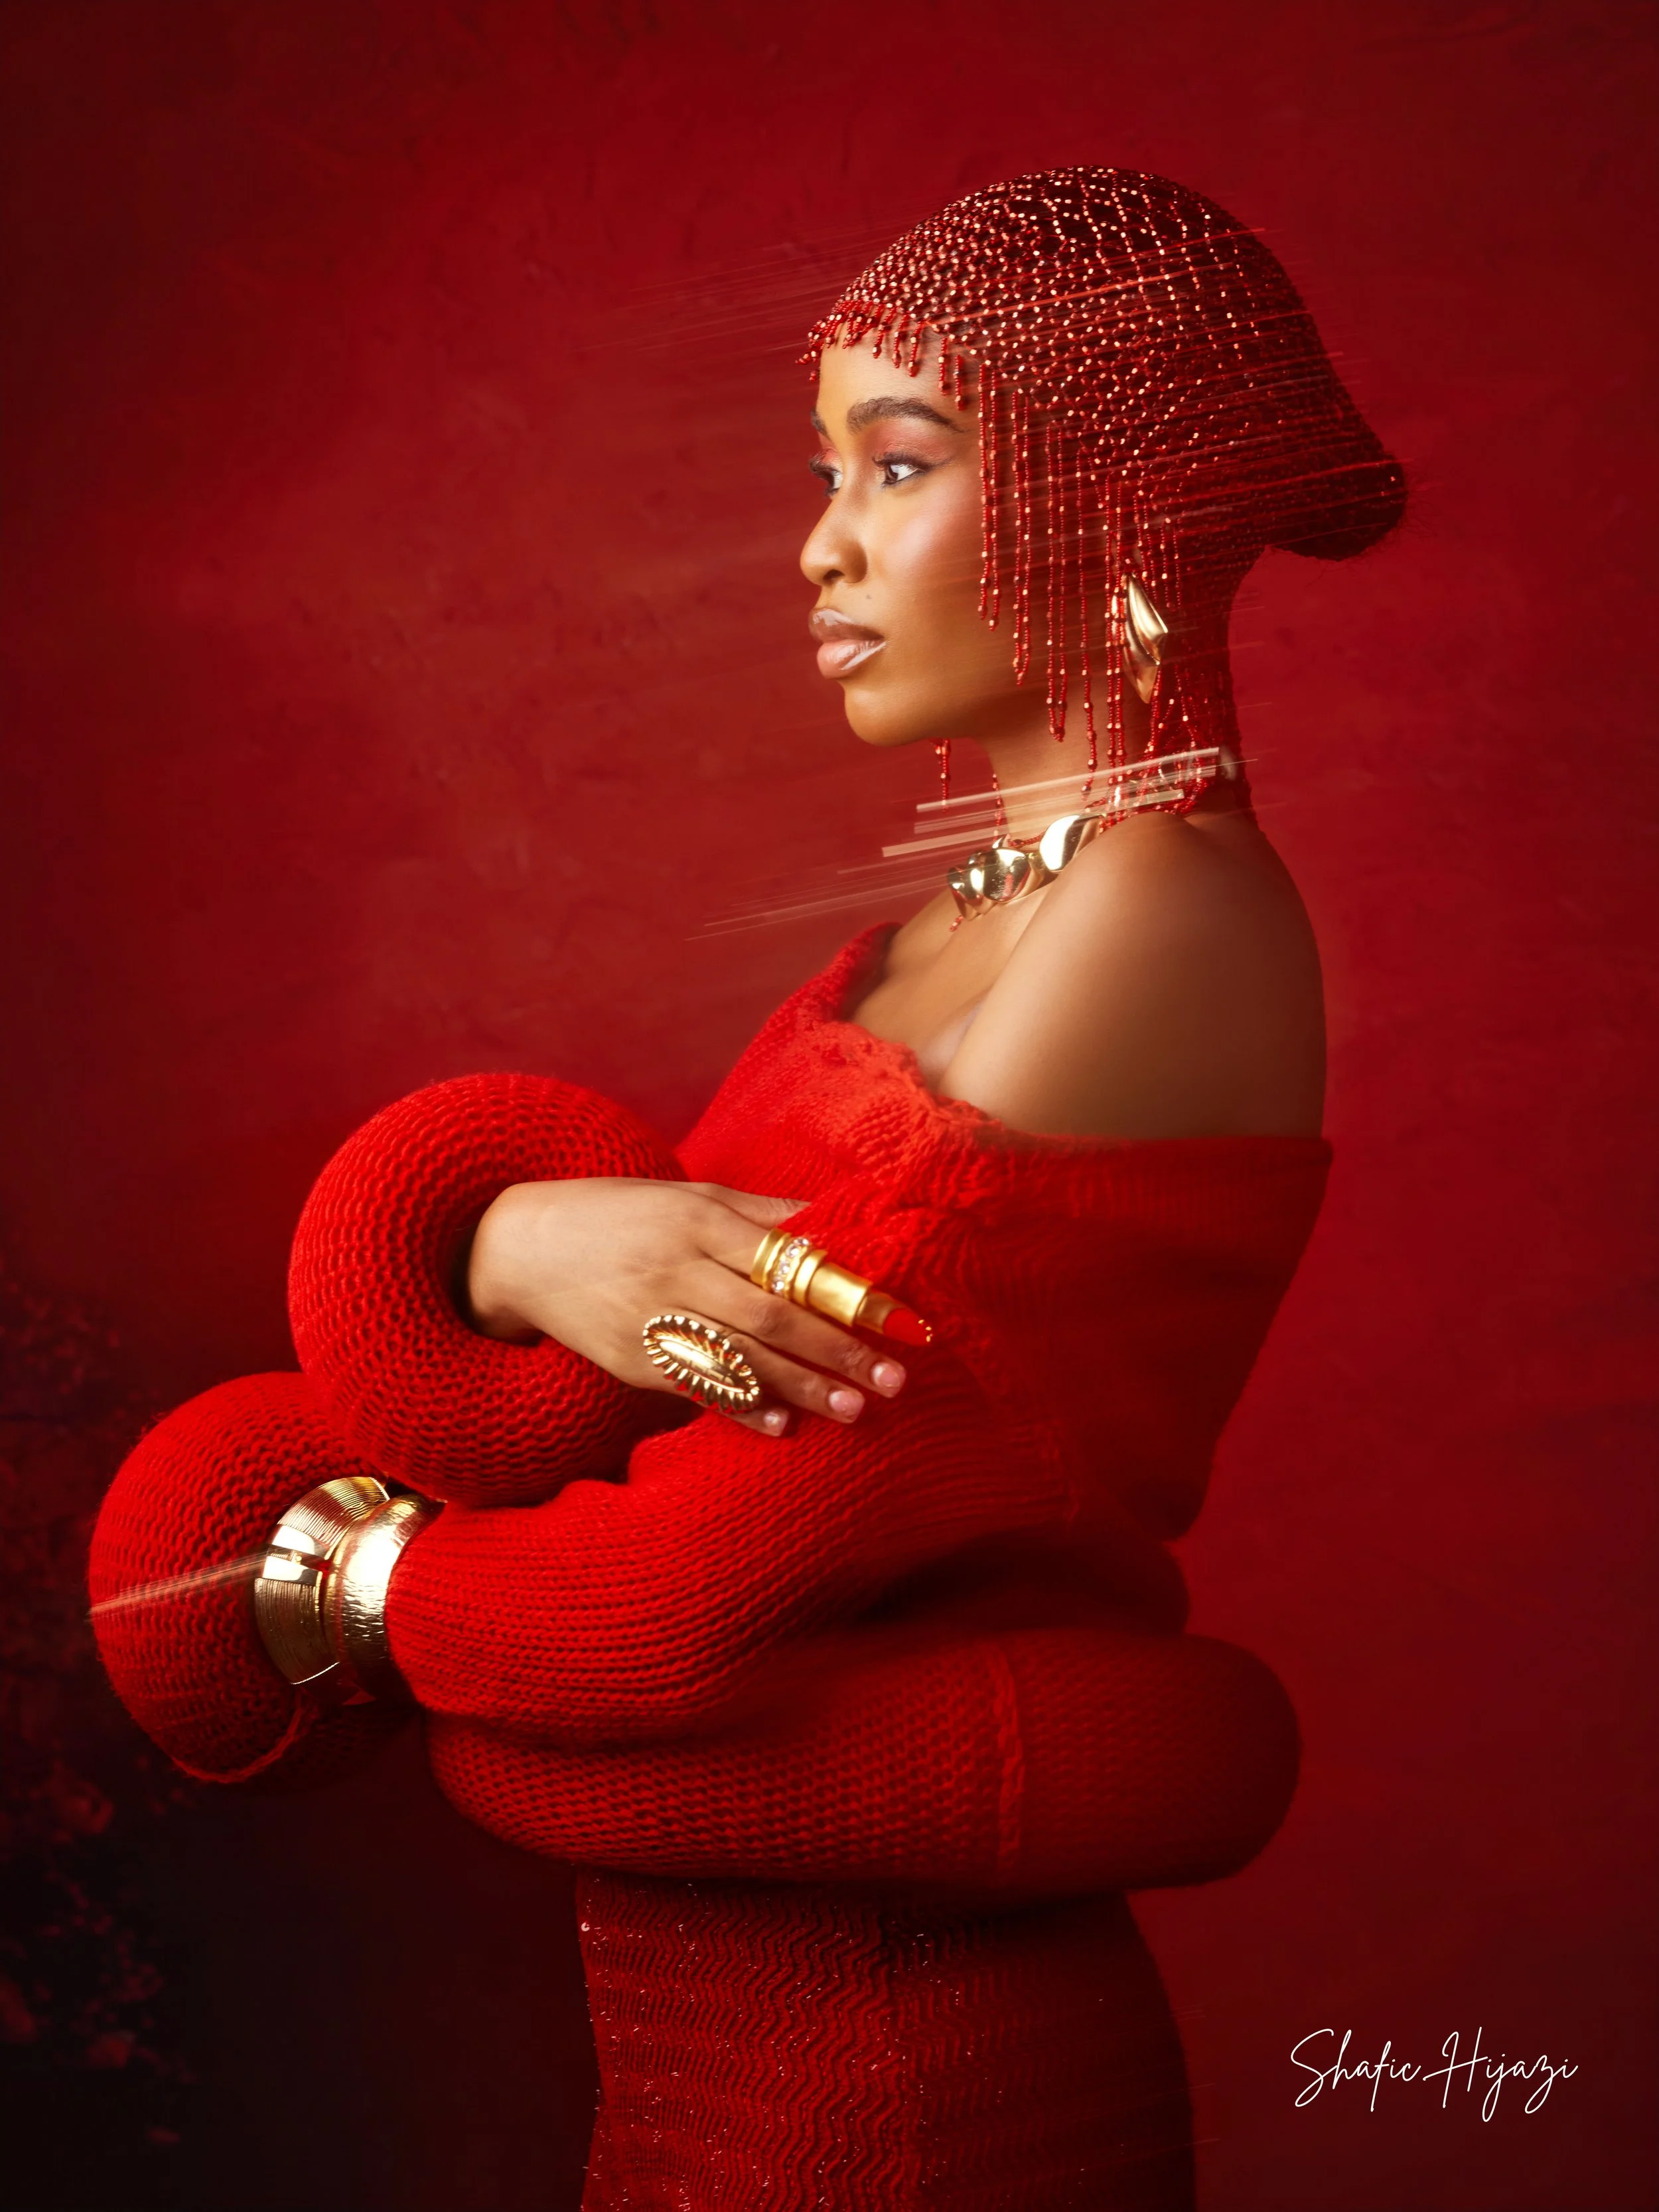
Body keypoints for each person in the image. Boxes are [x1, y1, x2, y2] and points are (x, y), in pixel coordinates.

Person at [90, 168, 1404, 2209]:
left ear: (1115, 494)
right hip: (705, 2054)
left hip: (915, 2081)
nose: (820, 543)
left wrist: (332, 1577)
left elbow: (670, 1596)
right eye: (825, 471)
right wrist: (507, 1236)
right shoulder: (937, 932)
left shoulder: (1160, 914)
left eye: (898, 465)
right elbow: (588, 1418)